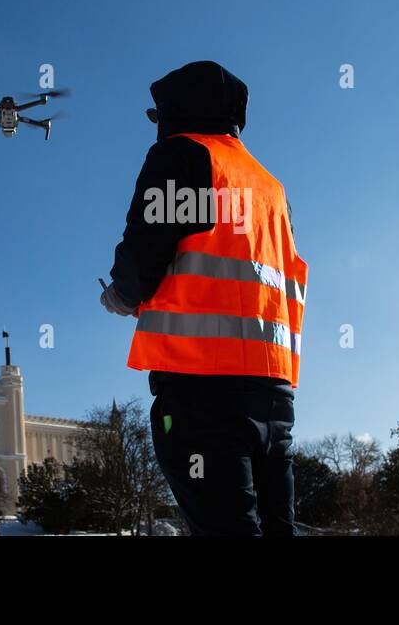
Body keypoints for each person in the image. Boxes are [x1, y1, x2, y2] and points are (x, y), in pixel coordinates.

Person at [100, 60, 308, 536]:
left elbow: (143, 254)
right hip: (273, 395)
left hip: (201, 389)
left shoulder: (182, 155)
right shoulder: (272, 189)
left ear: (176, 112)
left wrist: (121, 295)